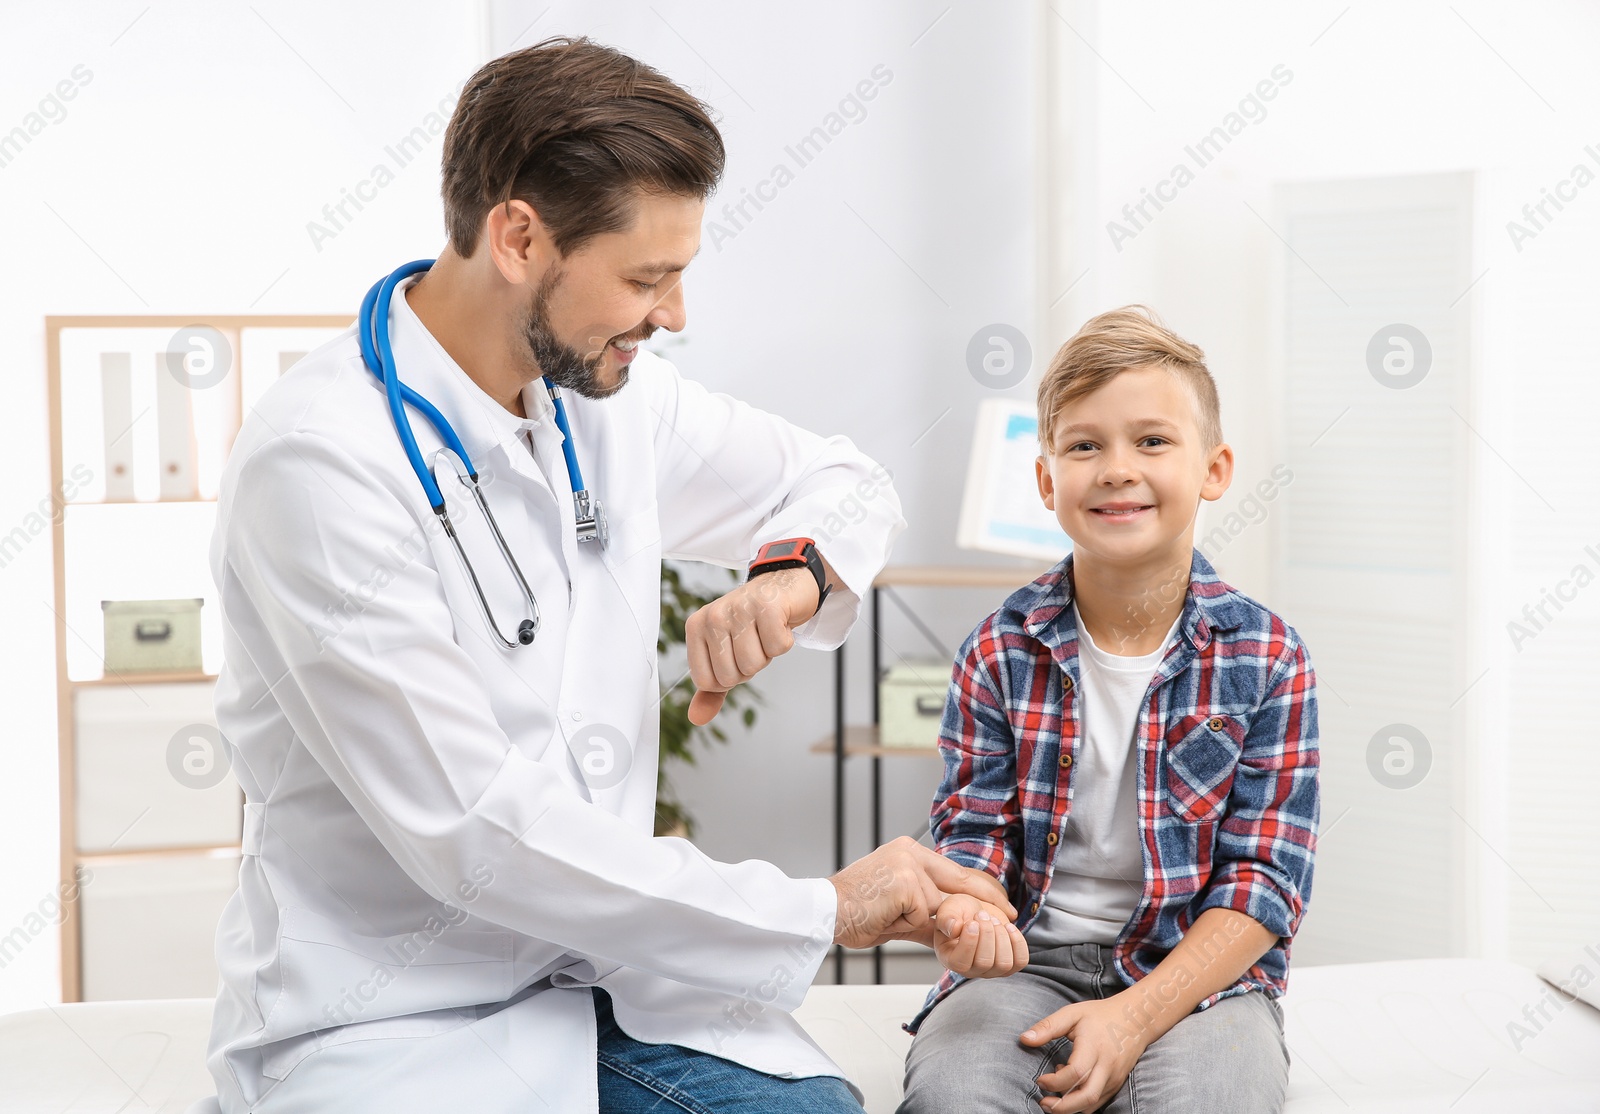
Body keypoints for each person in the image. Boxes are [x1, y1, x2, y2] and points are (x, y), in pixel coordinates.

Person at [201, 37, 1013, 1114]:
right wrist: (827, 908)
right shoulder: (320, 465)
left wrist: (785, 578)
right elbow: (483, 836)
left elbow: (845, 483)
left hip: (598, 979)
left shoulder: (607, 402)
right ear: (519, 235)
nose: (673, 315)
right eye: (646, 276)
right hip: (394, 1014)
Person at [898, 306, 1321, 1114]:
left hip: (1197, 974)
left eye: (1152, 441)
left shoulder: (1269, 658)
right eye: (1085, 445)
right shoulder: (997, 650)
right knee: (950, 1098)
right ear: (1048, 479)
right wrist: (965, 908)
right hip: (1025, 964)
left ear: (1214, 469)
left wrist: (1132, 1018)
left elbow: (1264, 883)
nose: (1117, 468)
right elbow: (973, 839)